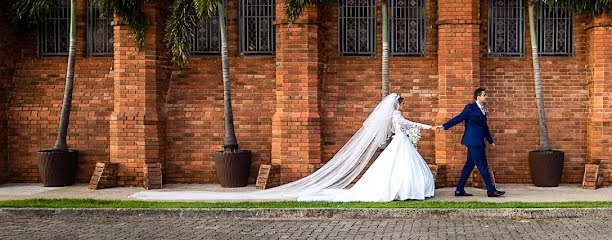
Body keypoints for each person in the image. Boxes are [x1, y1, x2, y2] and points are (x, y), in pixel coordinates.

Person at [132, 93, 436, 202]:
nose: (401, 106)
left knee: (395, 170)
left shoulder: (395, 116)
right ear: (397, 105)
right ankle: (404, 191)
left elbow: (405, 127)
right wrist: (425, 128)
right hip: (400, 145)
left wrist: (423, 128)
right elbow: (405, 127)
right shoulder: (396, 116)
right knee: (396, 171)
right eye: (401, 103)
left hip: (399, 145)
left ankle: (404, 191)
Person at [438, 87, 505, 197]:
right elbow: (458, 118)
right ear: (478, 97)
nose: (486, 97)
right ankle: (491, 190)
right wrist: (444, 126)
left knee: (469, 165)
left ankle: (459, 189)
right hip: (473, 142)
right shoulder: (470, 108)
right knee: (482, 165)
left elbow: (484, 127)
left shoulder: (483, 110)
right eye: (485, 95)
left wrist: (490, 140)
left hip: (479, 142)